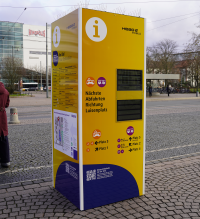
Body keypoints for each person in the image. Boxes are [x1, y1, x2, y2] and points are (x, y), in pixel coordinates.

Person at [0, 82, 10, 167]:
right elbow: (7, 104)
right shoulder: (6, 91)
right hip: (2, 116)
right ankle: (5, 160)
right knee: (3, 137)